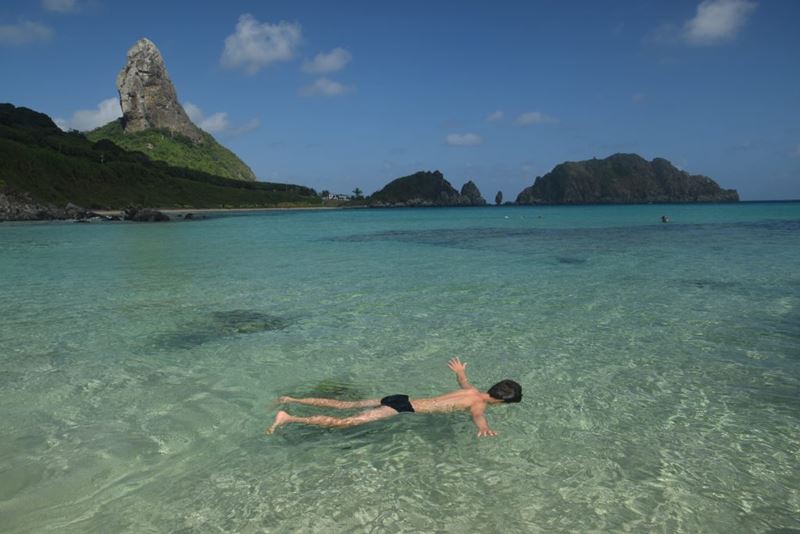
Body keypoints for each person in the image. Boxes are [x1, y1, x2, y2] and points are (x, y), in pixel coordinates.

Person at [267, 357, 521, 437]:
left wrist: (460, 371)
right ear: (500, 401)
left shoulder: (472, 391)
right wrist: (484, 429)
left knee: (343, 405)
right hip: (401, 408)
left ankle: (292, 399)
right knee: (345, 423)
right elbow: (478, 418)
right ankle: (288, 417)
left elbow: (462, 381)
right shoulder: (478, 405)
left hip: (400, 397)